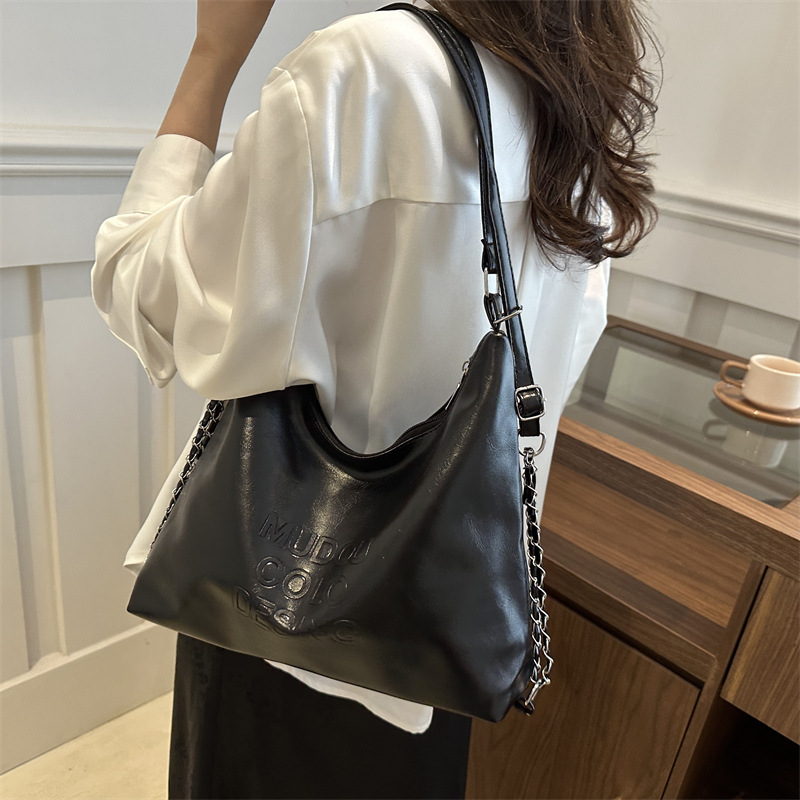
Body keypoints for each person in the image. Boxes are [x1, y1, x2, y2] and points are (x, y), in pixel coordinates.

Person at [92, 0, 659, 797]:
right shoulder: (580, 92)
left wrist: (211, 56)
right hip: (445, 624)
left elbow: (142, 289)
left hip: (280, 616)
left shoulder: (363, 70)